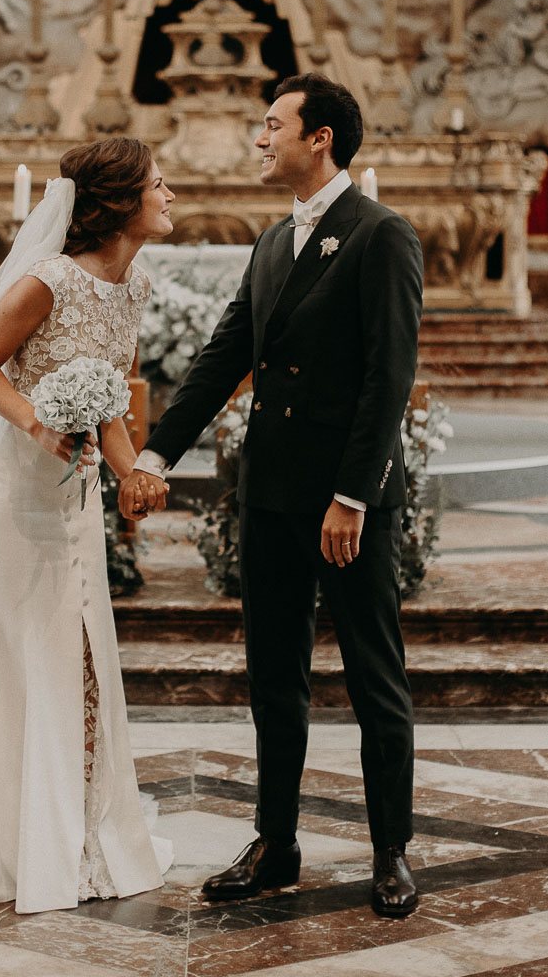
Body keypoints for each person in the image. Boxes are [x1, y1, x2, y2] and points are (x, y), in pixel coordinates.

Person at [120, 74, 424, 919]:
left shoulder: (380, 235)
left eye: (272, 125)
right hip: (270, 497)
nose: (260, 139)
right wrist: (153, 452)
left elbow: (387, 379)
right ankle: (277, 841)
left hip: (344, 503)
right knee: (272, 678)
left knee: (374, 678)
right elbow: (223, 358)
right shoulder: (270, 242)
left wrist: (353, 497)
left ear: (318, 138)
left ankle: (392, 848)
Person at [0, 138, 175, 913]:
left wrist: (132, 475)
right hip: (10, 489)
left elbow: (106, 397)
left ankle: (72, 829)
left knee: (76, 648)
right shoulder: (46, 282)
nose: (172, 195)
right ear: (121, 202)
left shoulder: (135, 286)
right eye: (160, 184)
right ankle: (5, 845)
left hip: (74, 491)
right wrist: (38, 427)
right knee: (15, 651)